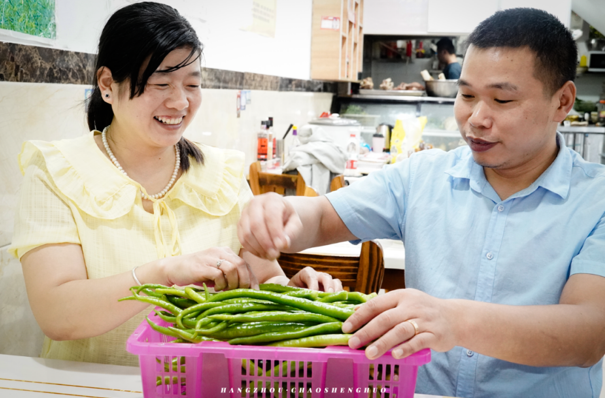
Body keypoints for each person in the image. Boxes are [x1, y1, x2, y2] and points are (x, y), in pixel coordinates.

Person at [238, 8, 605, 398]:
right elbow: (323, 215)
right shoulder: (423, 175)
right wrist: (283, 215)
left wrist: (454, 319)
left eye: (501, 99)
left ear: (562, 102)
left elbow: (588, 331)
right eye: (466, 95)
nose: (475, 118)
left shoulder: (595, 199)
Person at [8, 2, 341, 367]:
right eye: (160, 83)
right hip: (96, 387)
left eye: (193, 85)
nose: (180, 101)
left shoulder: (223, 174)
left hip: (210, 385)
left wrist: (291, 295)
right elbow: (57, 314)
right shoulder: (56, 172)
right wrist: (161, 274)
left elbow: (261, 277)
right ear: (107, 84)